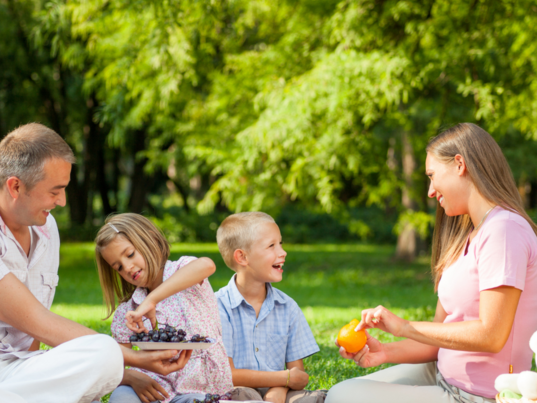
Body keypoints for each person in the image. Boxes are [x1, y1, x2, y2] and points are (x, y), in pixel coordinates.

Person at [0, 123, 191, 403]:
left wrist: (119, 366)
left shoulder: (45, 228)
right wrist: (139, 361)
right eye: (55, 191)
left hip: (17, 374)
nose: (63, 201)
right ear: (15, 186)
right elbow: (37, 321)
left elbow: (32, 333)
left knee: (103, 352)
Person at [326, 123, 537, 403]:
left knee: (342, 396)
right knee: (341, 392)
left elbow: (491, 335)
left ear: (460, 164)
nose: (429, 190)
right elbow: (440, 336)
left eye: (432, 175)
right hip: (440, 373)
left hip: (476, 395)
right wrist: (385, 352)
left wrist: (404, 326)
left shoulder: (505, 231)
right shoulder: (470, 235)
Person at [94, 213, 233, 403]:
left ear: (150, 239)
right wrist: (131, 378)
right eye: (118, 267)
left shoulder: (184, 272)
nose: (127, 267)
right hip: (152, 388)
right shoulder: (129, 312)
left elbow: (206, 265)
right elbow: (115, 364)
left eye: (130, 254)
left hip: (200, 387)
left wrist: (151, 300)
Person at [215, 212, 325, 403]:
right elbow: (227, 375)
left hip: (280, 391)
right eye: (271, 245)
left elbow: (297, 375)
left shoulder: (287, 307)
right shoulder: (218, 306)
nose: (283, 252)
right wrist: (284, 378)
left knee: (316, 399)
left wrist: (278, 389)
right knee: (242, 396)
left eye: (280, 243)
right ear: (242, 257)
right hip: (236, 391)